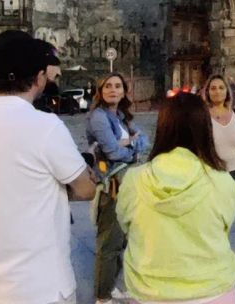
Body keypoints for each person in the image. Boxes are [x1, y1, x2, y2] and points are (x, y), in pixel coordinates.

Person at [0, 30, 96, 304]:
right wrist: (56, 187)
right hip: (39, 289)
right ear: (40, 77)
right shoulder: (45, 126)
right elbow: (86, 189)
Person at [116, 92, 235, 304]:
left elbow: (125, 224)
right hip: (212, 289)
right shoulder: (222, 182)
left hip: (150, 291)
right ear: (205, 128)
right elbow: (224, 228)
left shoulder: (134, 180)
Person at [87, 73, 143, 304]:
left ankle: (110, 287)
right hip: (110, 186)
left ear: (124, 91)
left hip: (125, 183)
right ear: (100, 91)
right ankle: (102, 296)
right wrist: (130, 146)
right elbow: (113, 152)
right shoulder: (99, 117)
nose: (113, 90)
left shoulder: (120, 116)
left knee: (122, 241)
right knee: (109, 242)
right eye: (108, 86)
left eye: (117, 86)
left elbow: (144, 140)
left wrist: (129, 144)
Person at [200, 75, 235, 184]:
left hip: (233, 171)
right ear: (207, 92)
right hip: (209, 173)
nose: (217, 92)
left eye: (221, 88)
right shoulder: (202, 115)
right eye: (213, 88)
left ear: (227, 91)